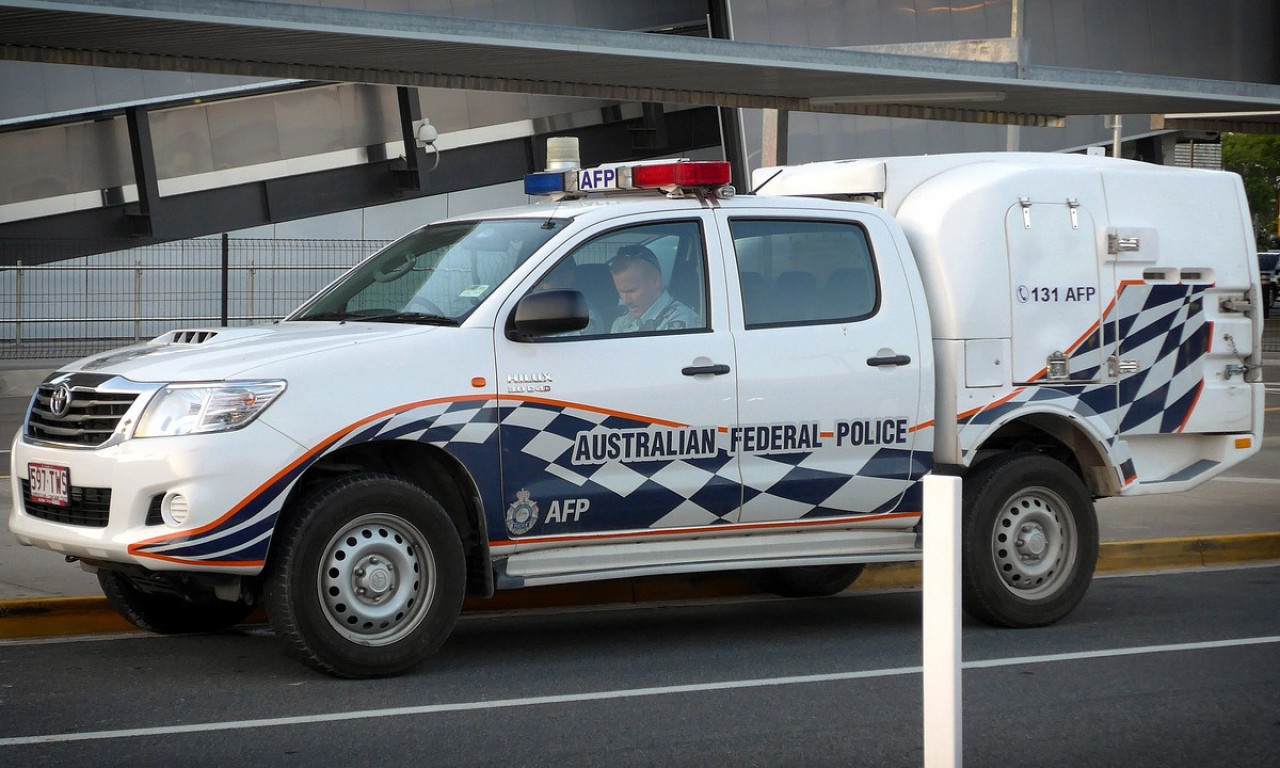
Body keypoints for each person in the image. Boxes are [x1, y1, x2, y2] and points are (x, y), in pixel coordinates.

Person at [608, 245, 699, 333]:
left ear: (655, 281)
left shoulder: (682, 323)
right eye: (620, 292)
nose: (626, 301)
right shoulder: (621, 323)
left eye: (632, 291)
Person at [531, 259, 602, 335]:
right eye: (534, 281)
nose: (537, 288)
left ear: (567, 278)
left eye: (546, 280)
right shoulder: (537, 311)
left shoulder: (583, 319)